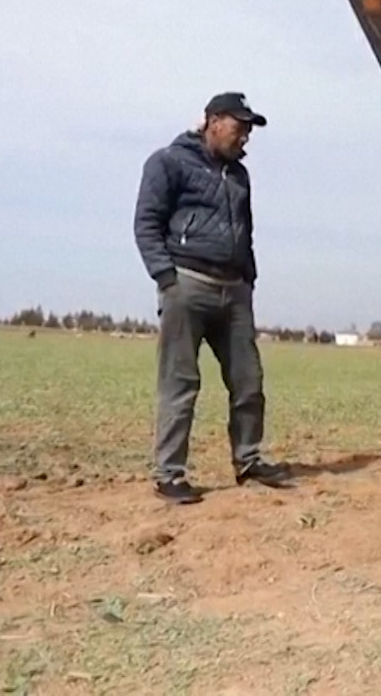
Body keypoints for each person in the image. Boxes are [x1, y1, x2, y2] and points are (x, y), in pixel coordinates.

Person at [134, 92, 292, 504]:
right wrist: (167, 279)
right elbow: (146, 224)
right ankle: (170, 474)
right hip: (187, 285)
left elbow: (247, 231)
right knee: (180, 382)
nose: (245, 138)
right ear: (213, 122)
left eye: (249, 130)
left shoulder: (240, 176)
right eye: (240, 128)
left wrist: (248, 280)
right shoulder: (167, 161)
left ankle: (249, 461)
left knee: (248, 381)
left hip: (234, 291)